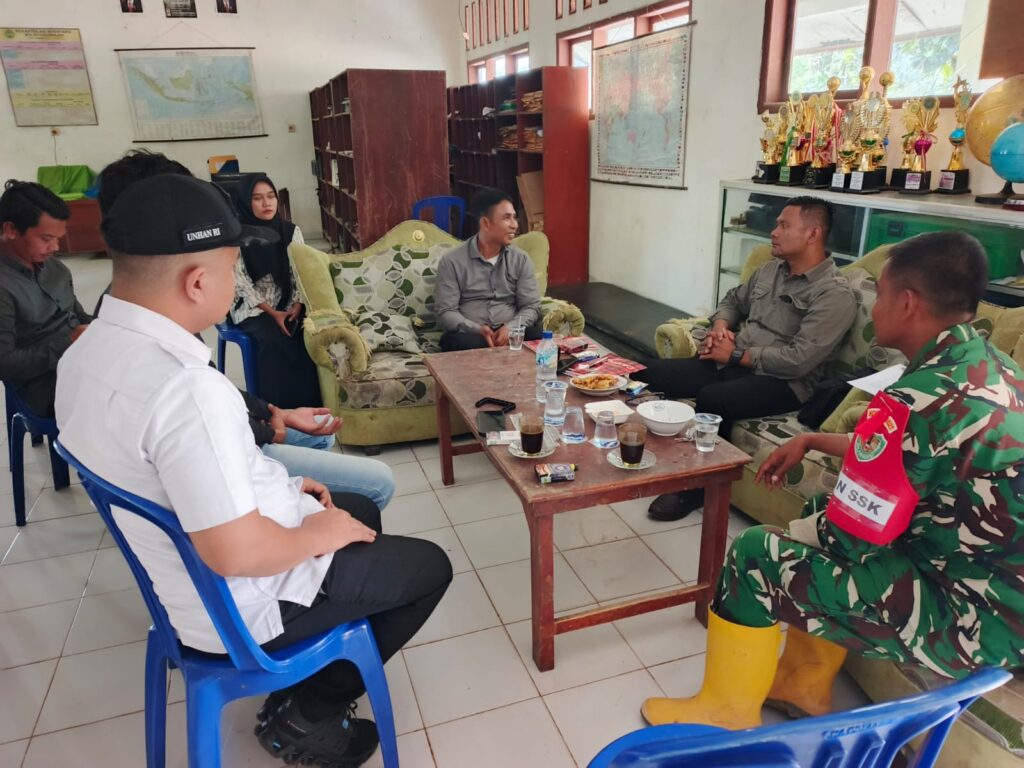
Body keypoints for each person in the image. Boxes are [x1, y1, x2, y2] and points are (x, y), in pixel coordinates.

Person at [56, 174, 452, 766]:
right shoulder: (186, 390)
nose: (234, 279)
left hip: (183, 582)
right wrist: (313, 532)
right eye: (230, 267)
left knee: (356, 508)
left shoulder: (87, 350)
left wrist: (285, 489)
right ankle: (307, 714)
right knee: (430, 566)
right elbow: (235, 552)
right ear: (197, 281)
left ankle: (322, 657)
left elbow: (194, 472)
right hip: (236, 605)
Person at [641, 231, 1024, 730]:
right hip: (997, 592)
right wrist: (813, 440)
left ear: (908, 303)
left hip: (975, 619)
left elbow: (849, 538)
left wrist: (798, 537)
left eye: (880, 295)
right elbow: (922, 451)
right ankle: (803, 685)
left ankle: (724, 714)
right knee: (816, 510)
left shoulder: (911, 400)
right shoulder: (991, 368)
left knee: (755, 552)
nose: (874, 309)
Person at [95, 150, 395, 510]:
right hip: (237, 482)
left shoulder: (112, 330)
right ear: (197, 280)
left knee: (318, 434)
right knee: (377, 485)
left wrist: (273, 412)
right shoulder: (182, 382)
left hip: (225, 464)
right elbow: (228, 494)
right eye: (228, 266)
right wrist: (275, 445)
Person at [635, 196, 858, 522]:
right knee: (645, 369)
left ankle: (697, 487)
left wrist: (736, 354)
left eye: (784, 225)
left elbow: (800, 360)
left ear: (813, 234)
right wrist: (721, 327)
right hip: (734, 363)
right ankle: (651, 454)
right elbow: (732, 301)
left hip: (785, 383)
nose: (774, 232)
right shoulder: (770, 271)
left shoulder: (833, 294)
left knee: (714, 399)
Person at [229, 172, 321, 409]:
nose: (266, 203)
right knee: (272, 338)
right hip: (253, 308)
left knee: (308, 333)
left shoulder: (290, 231)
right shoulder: (237, 235)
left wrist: (298, 304)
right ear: (245, 202)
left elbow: (301, 271)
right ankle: (274, 410)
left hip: (289, 302)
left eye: (271, 196)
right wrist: (272, 312)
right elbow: (240, 281)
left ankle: (310, 407)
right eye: (257, 198)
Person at [0, 180, 90, 417]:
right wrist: (68, 341)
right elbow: (4, 363)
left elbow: (77, 315)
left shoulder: (54, 267)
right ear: (11, 230)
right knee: (118, 403)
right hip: (42, 383)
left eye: (59, 238)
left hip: (79, 357)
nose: (55, 247)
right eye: (47, 238)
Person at [434, 187, 543, 351]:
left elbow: (531, 306)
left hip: (512, 331)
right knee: (459, 342)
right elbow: (446, 311)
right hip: (471, 335)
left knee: (538, 336)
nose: (514, 225)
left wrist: (512, 328)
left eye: (514, 217)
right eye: (507, 218)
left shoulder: (520, 259)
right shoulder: (452, 261)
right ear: (485, 223)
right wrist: (476, 329)